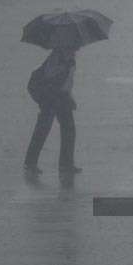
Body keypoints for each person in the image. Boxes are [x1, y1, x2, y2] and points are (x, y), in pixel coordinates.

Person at [23, 46, 82, 177]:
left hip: (60, 95)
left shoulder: (70, 59)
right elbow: (49, 77)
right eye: (75, 46)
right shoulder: (57, 58)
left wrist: (70, 98)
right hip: (48, 95)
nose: (77, 49)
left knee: (69, 128)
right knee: (43, 128)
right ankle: (30, 162)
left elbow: (68, 81)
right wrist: (60, 68)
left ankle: (66, 164)